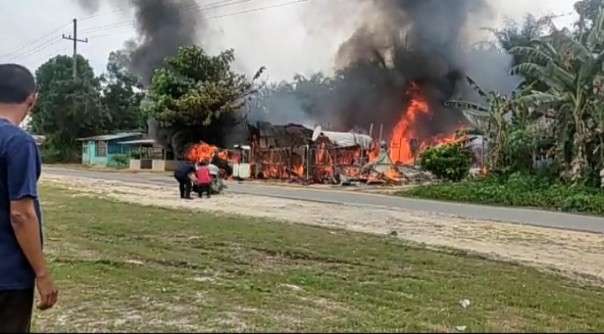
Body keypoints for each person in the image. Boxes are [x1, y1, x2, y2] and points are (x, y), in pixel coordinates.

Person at [0, 63, 58, 333]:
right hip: (7, 278)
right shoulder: (17, 143)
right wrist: (42, 274)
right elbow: (21, 215)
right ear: (32, 99)